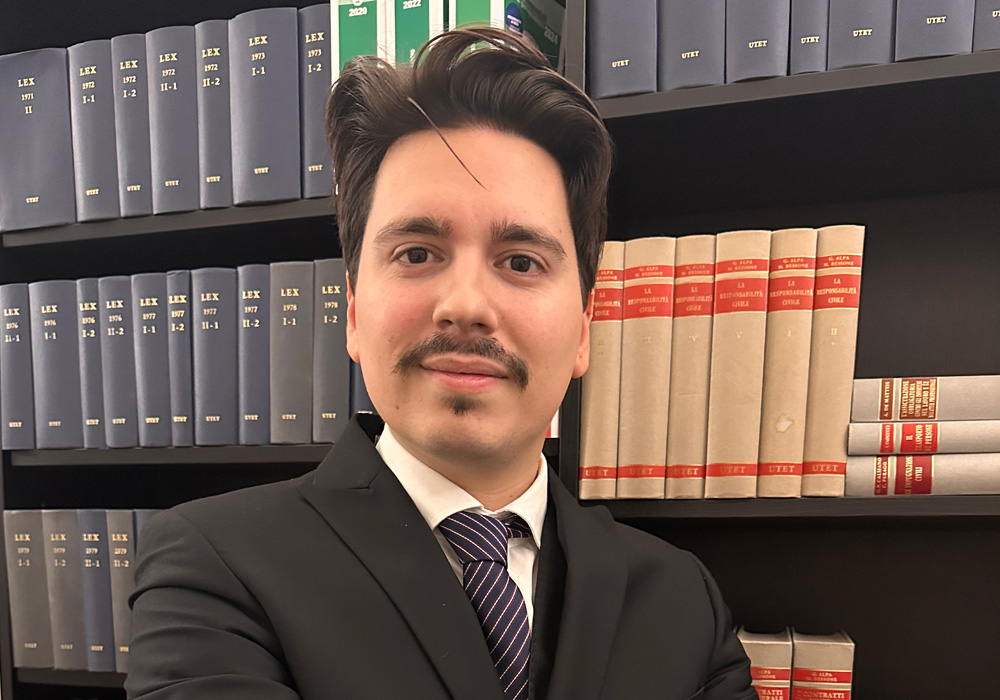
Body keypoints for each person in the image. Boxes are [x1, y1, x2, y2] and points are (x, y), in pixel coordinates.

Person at [125, 27, 757, 700]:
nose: (465, 306)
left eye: (521, 262)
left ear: (582, 328)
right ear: (354, 312)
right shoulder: (212, 567)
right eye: (417, 254)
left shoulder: (683, 601)